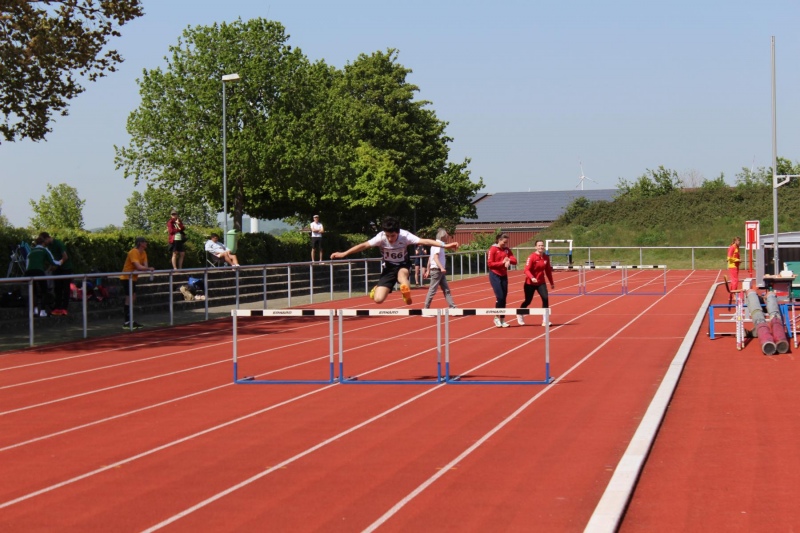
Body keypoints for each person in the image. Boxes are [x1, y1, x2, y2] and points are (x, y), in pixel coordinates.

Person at [330, 216, 459, 305]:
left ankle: (405, 291)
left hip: (403, 264)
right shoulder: (380, 237)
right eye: (388, 236)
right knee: (378, 300)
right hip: (388, 267)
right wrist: (344, 253)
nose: (390, 239)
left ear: (398, 232)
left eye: (393, 235)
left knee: (402, 276)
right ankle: (377, 289)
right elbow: (364, 245)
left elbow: (425, 241)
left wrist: (445, 245)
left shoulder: (405, 236)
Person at [517, 239, 555, 326]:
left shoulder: (546, 257)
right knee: (528, 301)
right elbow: (526, 270)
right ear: (536, 247)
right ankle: (520, 313)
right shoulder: (532, 257)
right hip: (530, 283)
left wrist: (551, 282)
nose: (541, 247)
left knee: (545, 298)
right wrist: (532, 277)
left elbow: (548, 271)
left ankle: (545, 320)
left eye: (542, 245)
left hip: (541, 282)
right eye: (539, 245)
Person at [120, 236, 155, 329]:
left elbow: (144, 266)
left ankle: (130, 320)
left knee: (133, 297)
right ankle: (127, 322)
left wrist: (147, 268)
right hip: (126, 277)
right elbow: (139, 266)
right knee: (129, 298)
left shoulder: (144, 253)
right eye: (145, 242)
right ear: (140, 243)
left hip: (133, 278)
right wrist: (148, 269)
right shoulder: (133, 252)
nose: (146, 243)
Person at [421, 228, 457, 313]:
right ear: (442, 236)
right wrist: (441, 268)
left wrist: (428, 270)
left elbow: (430, 258)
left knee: (446, 290)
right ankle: (426, 309)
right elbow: (435, 257)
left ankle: (452, 307)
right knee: (432, 290)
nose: (447, 237)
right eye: (446, 236)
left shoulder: (436, 244)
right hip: (437, 270)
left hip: (438, 271)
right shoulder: (438, 244)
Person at [25, 235, 60, 317]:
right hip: (39, 271)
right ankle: (43, 311)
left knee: (33, 291)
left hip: (29, 272)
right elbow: (53, 261)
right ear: (44, 243)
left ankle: (34, 310)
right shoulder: (44, 250)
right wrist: (61, 262)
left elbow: (27, 264)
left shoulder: (30, 251)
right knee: (44, 290)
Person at [487, 232, 517, 327]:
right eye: (504, 242)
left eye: (506, 242)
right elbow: (490, 264)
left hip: (504, 275)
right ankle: (496, 317)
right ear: (499, 240)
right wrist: (502, 263)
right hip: (495, 275)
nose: (505, 244)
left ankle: (502, 319)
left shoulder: (507, 250)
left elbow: (515, 261)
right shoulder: (493, 249)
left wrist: (509, 260)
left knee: (504, 298)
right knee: (499, 297)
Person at [42, 232, 73, 316]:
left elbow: (65, 257)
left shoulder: (59, 244)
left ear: (47, 238)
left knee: (65, 288)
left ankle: (64, 308)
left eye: (44, 241)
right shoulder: (49, 246)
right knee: (57, 288)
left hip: (66, 268)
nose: (44, 243)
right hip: (57, 269)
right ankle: (57, 306)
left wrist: (57, 265)